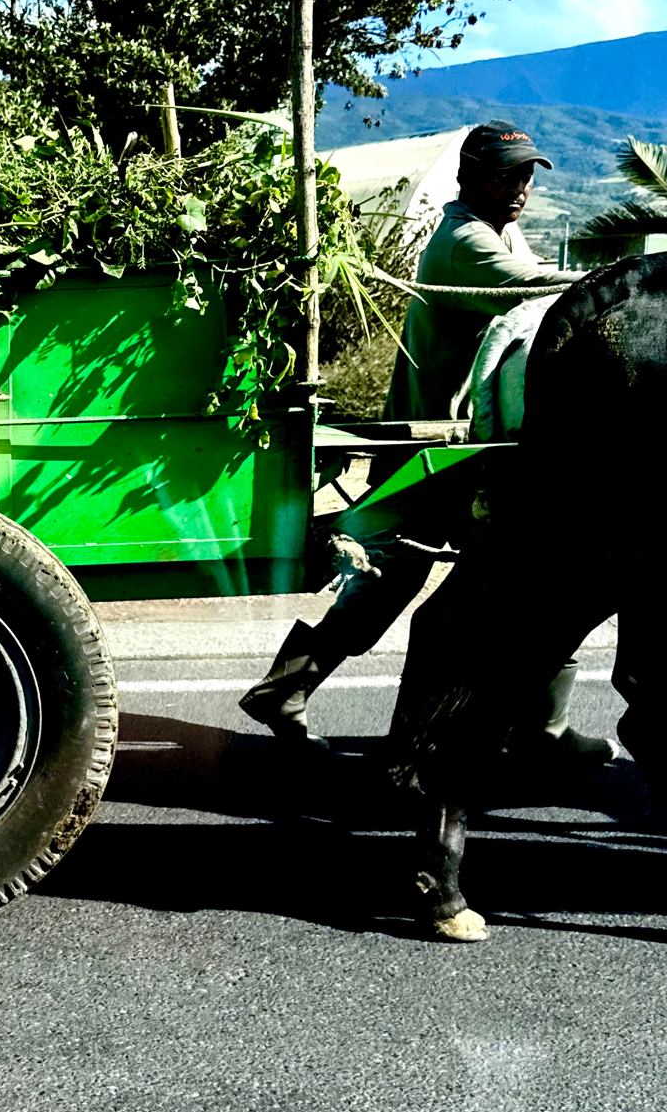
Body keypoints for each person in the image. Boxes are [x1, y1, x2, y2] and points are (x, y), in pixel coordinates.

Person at [238, 119, 616, 763]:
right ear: (470, 177)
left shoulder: (496, 228)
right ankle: (527, 731)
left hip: (461, 437)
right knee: (429, 572)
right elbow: (547, 292)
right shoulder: (465, 239)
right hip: (436, 443)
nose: (521, 186)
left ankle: (537, 729)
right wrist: (637, 282)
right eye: (508, 174)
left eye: (527, 174)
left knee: (479, 571)